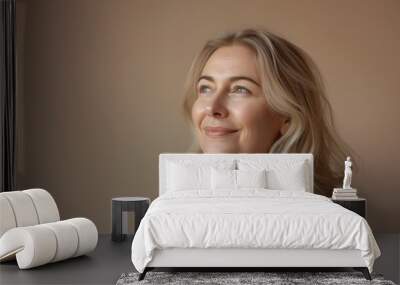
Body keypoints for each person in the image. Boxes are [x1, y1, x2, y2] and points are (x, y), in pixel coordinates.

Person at [181, 28, 355, 196]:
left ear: (287, 117)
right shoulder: (167, 208)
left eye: (240, 89)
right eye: (205, 88)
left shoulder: (327, 218)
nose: (212, 108)